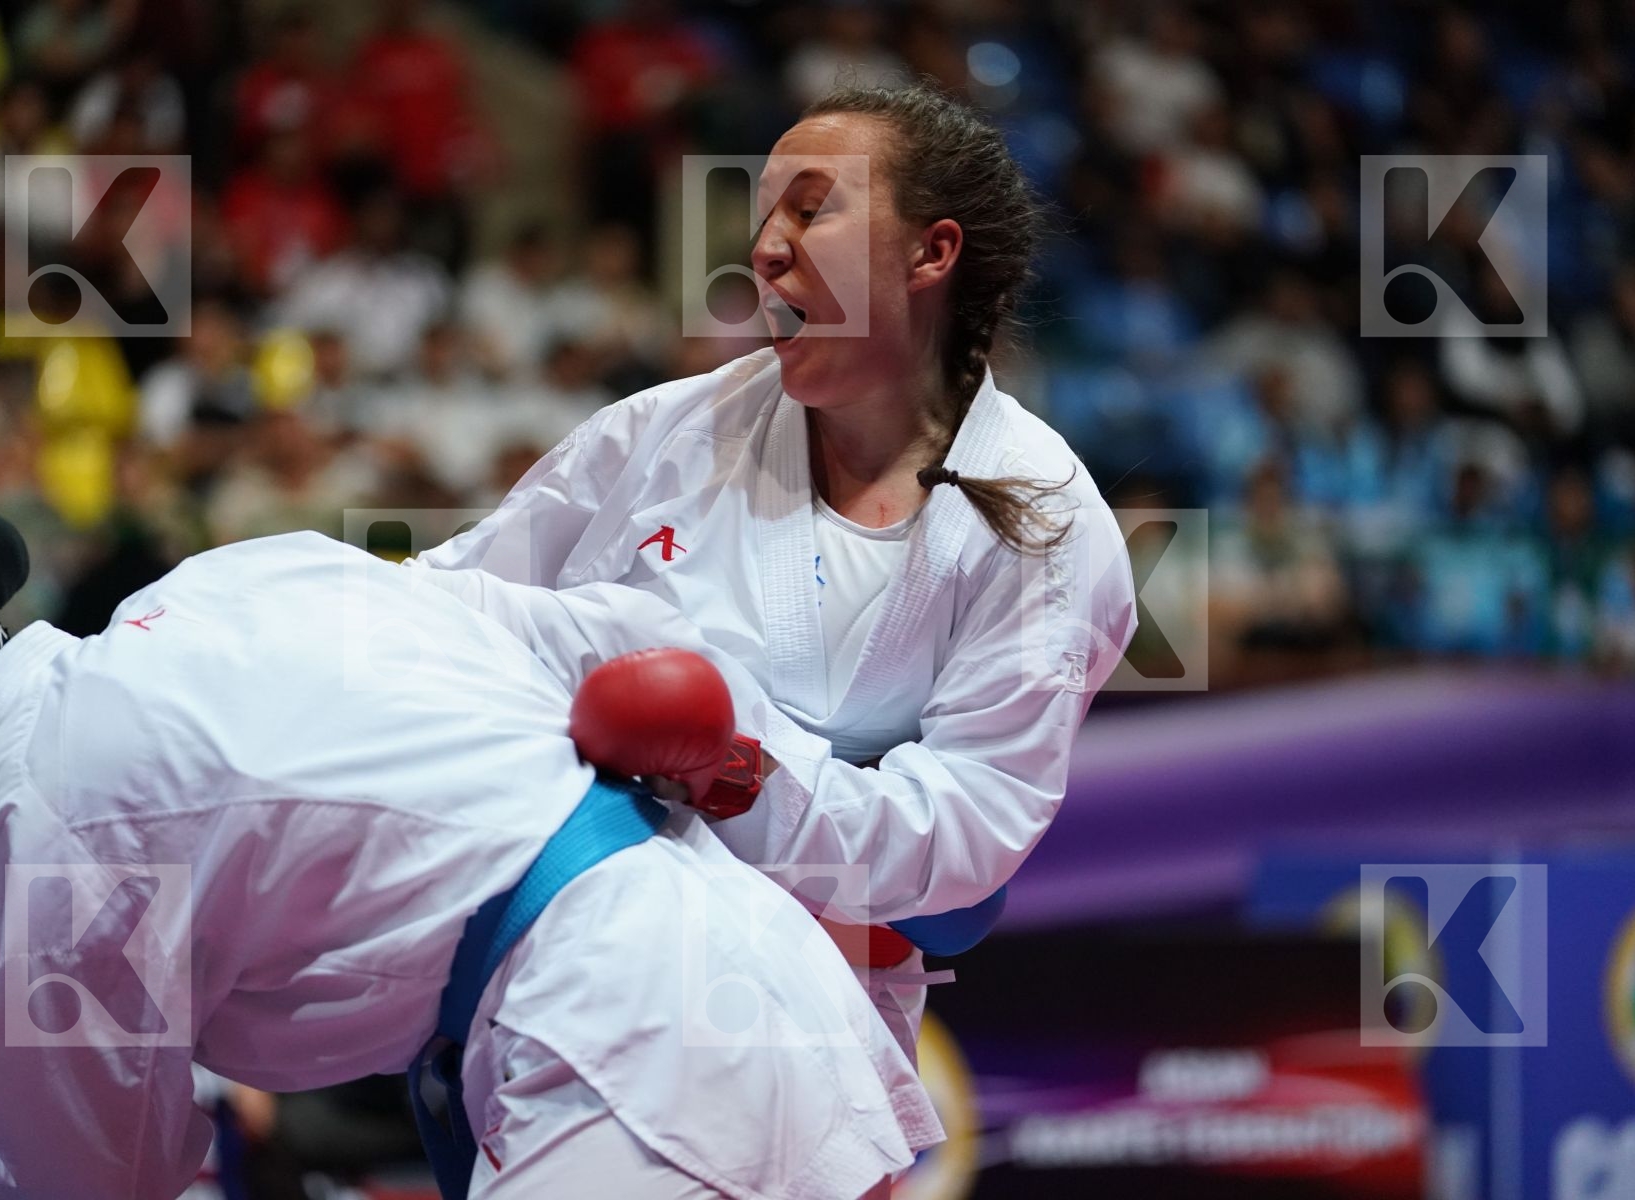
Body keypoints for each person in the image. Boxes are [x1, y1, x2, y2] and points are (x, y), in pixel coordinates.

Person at [0, 507, 937, 1199]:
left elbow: (95, 1171)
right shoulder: (236, 581)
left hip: (628, 1059)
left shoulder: (41, 815)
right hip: (736, 973)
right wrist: (816, 832)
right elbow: (616, 640)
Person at [416, 83, 1139, 1051]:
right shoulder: (664, 432)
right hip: (545, 978)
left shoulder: (1041, 519)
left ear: (932, 252)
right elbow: (443, 614)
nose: (764, 248)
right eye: (764, 217)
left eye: (810, 208)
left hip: (798, 1030)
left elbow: (966, 842)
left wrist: (736, 766)